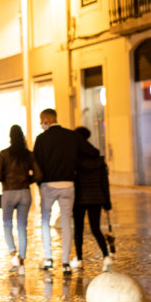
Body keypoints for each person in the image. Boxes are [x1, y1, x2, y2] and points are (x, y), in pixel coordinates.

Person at [32, 108, 99, 275]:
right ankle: (66, 262)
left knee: (45, 221)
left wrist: (39, 183)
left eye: (42, 120)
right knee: (66, 223)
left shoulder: (41, 139)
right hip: (68, 184)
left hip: (48, 186)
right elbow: (93, 152)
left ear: (47, 119)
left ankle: (48, 258)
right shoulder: (72, 136)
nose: (41, 124)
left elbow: (36, 163)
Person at [0, 125, 42, 275]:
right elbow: (39, 175)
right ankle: (21, 261)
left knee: (7, 224)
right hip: (24, 192)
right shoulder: (28, 154)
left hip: (9, 192)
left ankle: (13, 255)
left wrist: (7, 178)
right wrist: (28, 180)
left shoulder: (4, 154)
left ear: (10, 136)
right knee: (22, 226)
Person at [73, 127, 114, 272]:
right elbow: (105, 183)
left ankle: (79, 259)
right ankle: (106, 256)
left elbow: (74, 182)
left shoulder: (75, 160)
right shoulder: (98, 160)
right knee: (95, 228)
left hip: (79, 199)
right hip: (96, 198)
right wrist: (107, 202)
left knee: (78, 229)